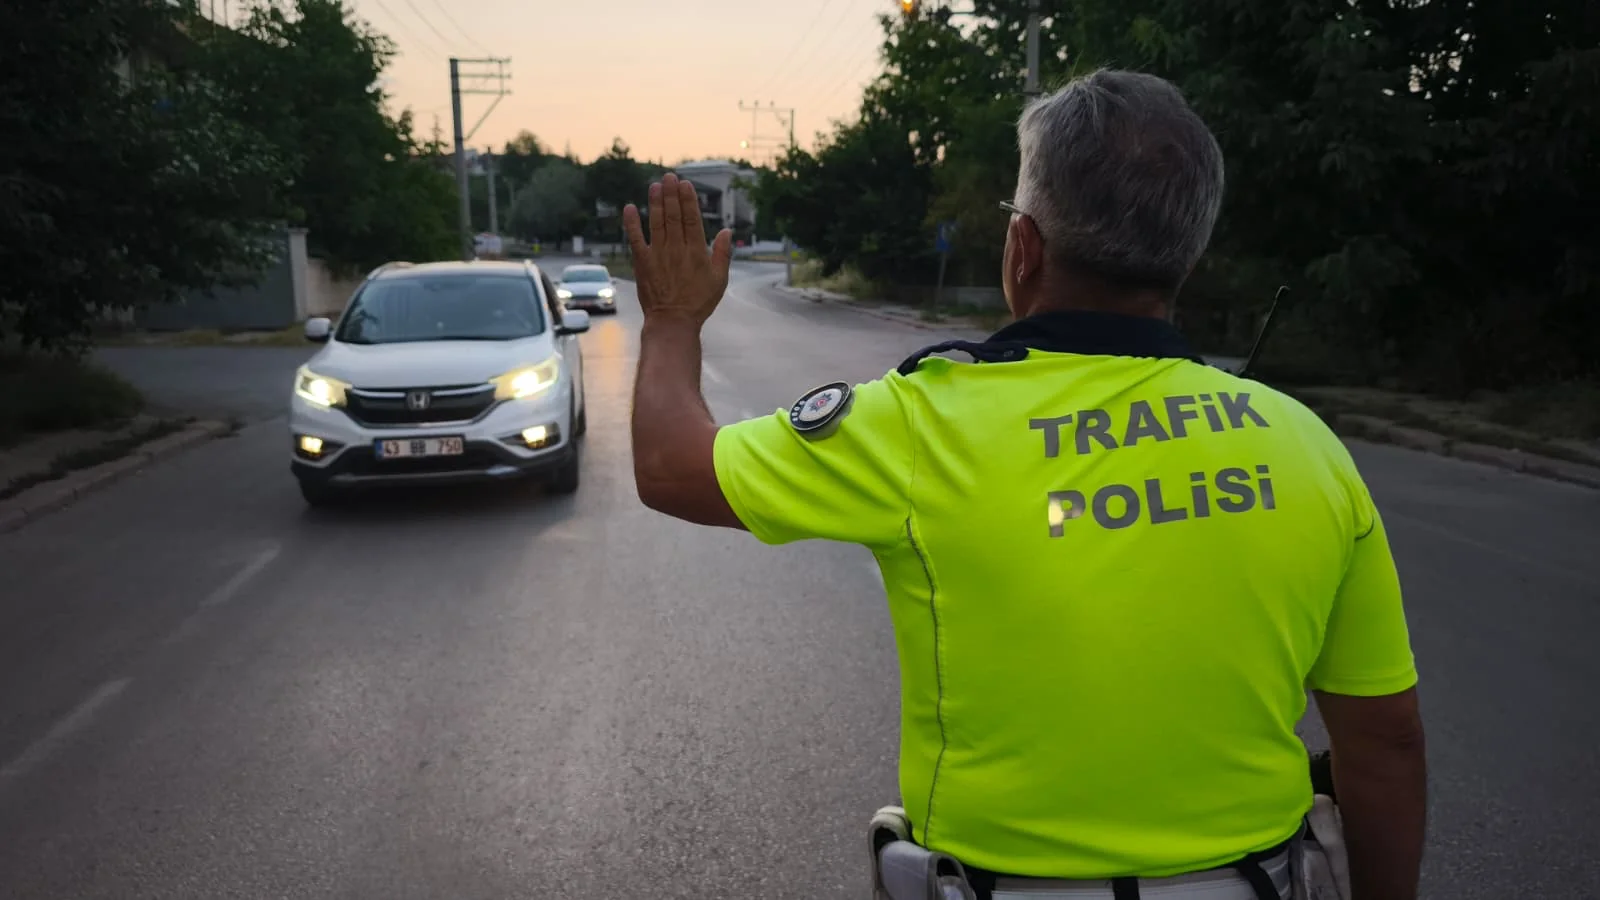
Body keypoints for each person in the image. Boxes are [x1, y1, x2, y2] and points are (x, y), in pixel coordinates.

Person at [623, 68, 1426, 900]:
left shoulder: (919, 423)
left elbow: (670, 465)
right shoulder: (1306, 444)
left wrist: (675, 317)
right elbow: (1386, 742)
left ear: (1024, 247)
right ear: (1184, 256)